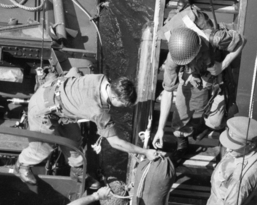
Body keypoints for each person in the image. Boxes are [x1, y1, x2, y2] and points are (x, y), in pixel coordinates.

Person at [14, 72, 157, 185]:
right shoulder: (99, 112)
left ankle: (77, 171)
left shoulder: (100, 79)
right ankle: (21, 166)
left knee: (74, 140)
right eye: (123, 105)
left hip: (55, 99)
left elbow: (76, 72)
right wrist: (145, 151)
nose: (123, 108)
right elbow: (115, 143)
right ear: (115, 97)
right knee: (44, 147)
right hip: (42, 109)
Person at [152, 25, 244, 156]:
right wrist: (160, 129)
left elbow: (241, 41)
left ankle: (206, 125)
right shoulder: (174, 57)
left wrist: (222, 65)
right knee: (181, 111)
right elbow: (167, 92)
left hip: (215, 74)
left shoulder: (214, 38)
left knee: (216, 121)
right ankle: (182, 140)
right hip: (191, 77)